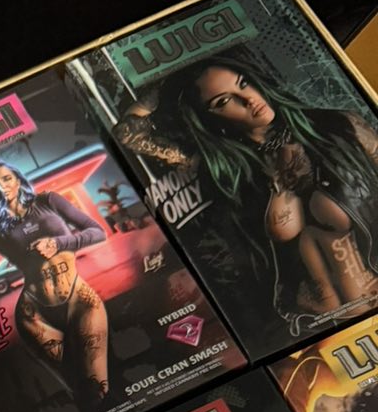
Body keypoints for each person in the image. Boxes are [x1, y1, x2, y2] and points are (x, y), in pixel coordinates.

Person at [114, 51, 378, 331]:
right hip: (308, 324)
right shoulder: (226, 170)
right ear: (210, 119)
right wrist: (172, 81)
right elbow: (128, 134)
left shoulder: (339, 127)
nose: (249, 99)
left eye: (243, 83)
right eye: (224, 101)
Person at [0, 159, 110, 412]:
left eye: (7, 178)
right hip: (34, 314)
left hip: (79, 300)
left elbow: (97, 232)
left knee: (98, 388)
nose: (3, 186)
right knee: (79, 390)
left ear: (18, 180)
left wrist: (58, 243)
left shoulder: (48, 201)